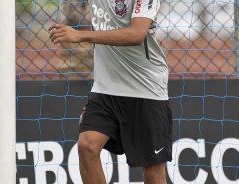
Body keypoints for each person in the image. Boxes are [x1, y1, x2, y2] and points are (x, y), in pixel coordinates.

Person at [49, 0, 173, 183]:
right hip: (105, 87)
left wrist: (81, 35)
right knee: (87, 146)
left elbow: (136, 34)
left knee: (153, 172)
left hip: (146, 89)